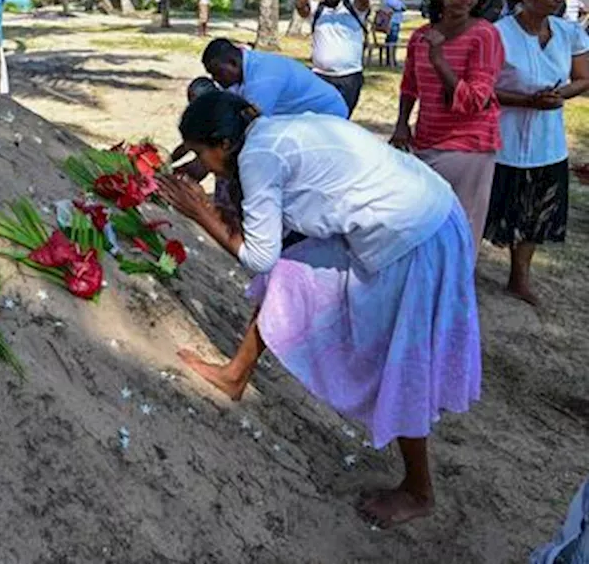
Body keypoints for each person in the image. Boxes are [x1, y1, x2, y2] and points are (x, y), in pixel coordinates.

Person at [157, 91, 480, 528]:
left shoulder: (259, 158)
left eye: (200, 153)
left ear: (224, 144)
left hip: (416, 234)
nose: (200, 164)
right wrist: (219, 208)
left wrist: (199, 212)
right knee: (287, 277)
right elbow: (275, 233)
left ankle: (419, 490)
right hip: (419, 208)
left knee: (398, 357)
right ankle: (235, 375)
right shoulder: (266, 131)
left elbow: (257, 256)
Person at [483, 0, 589, 306]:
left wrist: (559, 96)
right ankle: (461, 270)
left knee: (536, 213)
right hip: (503, 140)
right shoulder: (498, 34)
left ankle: (519, 277)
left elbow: (583, 79)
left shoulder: (570, 33)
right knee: (489, 209)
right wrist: (526, 101)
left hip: (548, 142)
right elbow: (482, 89)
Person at [391, 0, 503, 253]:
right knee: (422, 219)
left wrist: (439, 60)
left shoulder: (484, 35)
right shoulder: (421, 36)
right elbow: (409, 86)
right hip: (427, 138)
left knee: (460, 224)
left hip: (469, 144)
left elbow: (476, 100)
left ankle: (454, 289)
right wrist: (402, 124)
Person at [202, 38, 348, 120]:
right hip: (298, 116)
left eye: (218, 73)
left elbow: (248, 125)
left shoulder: (263, 78)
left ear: (233, 63)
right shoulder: (243, 69)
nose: (216, 79)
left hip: (327, 114)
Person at [295, 0, 369, 114]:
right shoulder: (318, 11)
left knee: (341, 119)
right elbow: (300, 5)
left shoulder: (353, 9)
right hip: (320, 76)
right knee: (319, 120)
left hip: (349, 77)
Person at [375, 0, 406, 67]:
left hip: (395, 21)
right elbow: (400, 6)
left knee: (392, 41)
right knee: (392, 41)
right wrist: (401, 5)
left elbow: (403, 6)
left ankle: (391, 59)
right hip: (392, 22)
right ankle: (391, 61)